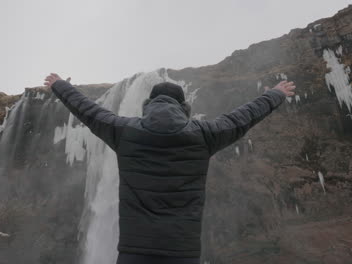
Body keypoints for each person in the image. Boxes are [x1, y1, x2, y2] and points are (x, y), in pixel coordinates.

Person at [43, 73, 295, 264]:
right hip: (182, 252)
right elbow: (242, 117)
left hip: (134, 252)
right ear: (184, 108)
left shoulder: (125, 131)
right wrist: (275, 94)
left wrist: (59, 85)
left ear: (148, 105)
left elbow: (88, 110)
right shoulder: (204, 135)